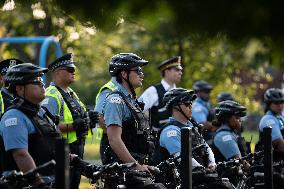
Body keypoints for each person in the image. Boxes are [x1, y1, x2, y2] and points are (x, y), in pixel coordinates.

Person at [42, 53, 98, 189]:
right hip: (61, 152)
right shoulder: (51, 95)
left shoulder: (71, 93)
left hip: (76, 151)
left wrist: (89, 121)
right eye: (70, 70)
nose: (74, 72)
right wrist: (74, 126)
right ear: (58, 73)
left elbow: (80, 119)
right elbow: (47, 127)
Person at [0, 63, 60, 187]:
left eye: (41, 80)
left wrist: (81, 164)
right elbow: (20, 155)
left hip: (52, 180)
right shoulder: (14, 116)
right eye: (36, 81)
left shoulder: (41, 112)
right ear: (19, 88)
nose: (42, 84)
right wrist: (38, 183)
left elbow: (51, 146)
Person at [159, 88, 216, 171]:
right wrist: (203, 170)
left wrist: (212, 163)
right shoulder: (171, 131)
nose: (191, 106)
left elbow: (206, 147)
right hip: (180, 182)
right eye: (187, 104)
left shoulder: (191, 127)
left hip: (198, 177)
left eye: (191, 103)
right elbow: (183, 159)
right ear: (175, 107)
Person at [139, 56, 183, 130]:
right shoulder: (153, 91)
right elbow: (137, 110)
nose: (180, 73)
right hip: (159, 139)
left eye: (181, 70)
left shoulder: (180, 92)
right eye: (177, 70)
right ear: (167, 72)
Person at [94, 69, 119, 164]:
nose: (140, 74)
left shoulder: (123, 89)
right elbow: (99, 117)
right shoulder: (109, 89)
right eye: (136, 70)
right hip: (111, 141)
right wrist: (117, 132)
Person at [257, 88, 284, 161]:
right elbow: (280, 145)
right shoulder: (268, 119)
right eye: (276, 103)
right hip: (271, 166)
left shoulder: (280, 117)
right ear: (269, 104)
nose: (280, 105)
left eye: (282, 102)